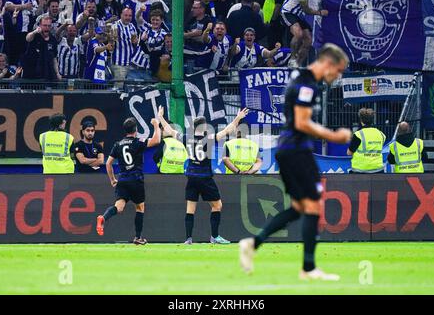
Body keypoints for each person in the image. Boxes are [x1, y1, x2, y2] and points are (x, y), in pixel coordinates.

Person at [239, 44, 352, 280]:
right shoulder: (306, 84)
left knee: (301, 207)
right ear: (328, 64)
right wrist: (335, 136)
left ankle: (253, 243)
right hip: (295, 150)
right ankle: (308, 269)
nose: (337, 76)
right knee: (312, 205)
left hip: (292, 150)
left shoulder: (303, 81)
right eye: (338, 70)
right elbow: (301, 123)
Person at [158, 107, 249, 245]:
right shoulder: (209, 139)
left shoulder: (186, 139)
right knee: (217, 205)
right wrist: (238, 118)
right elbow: (228, 130)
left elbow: (169, 130)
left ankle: (188, 239)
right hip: (205, 177)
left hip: (192, 177)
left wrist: (160, 117)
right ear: (205, 126)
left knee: (190, 209)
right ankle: (215, 236)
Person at [96, 114, 161, 245]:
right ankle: (138, 237)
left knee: (118, 207)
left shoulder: (118, 144)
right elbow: (157, 140)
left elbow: (108, 163)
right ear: (135, 129)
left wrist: (113, 179)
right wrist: (155, 124)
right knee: (140, 207)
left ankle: (103, 217)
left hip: (123, 180)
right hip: (136, 179)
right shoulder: (138, 142)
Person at [281, 0, 328, 67]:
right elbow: (306, 9)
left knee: (308, 40)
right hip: (288, 12)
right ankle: (292, 59)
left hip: (299, 16)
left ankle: (298, 62)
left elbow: (315, 7)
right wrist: (320, 12)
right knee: (298, 34)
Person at [22, 16, 62, 81]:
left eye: (49, 26)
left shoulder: (53, 40)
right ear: (40, 25)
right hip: (31, 74)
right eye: (44, 25)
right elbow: (28, 38)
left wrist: (57, 73)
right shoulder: (35, 36)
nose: (47, 28)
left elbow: (54, 58)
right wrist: (35, 32)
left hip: (46, 74)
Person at [347, 108, 386, 174]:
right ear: (372, 120)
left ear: (361, 121)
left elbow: (349, 153)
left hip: (360, 170)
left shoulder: (358, 134)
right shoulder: (381, 134)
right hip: (378, 169)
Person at [111, 7, 137, 86]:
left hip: (131, 64)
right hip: (119, 64)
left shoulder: (132, 26)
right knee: (119, 89)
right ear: (121, 15)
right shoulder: (115, 26)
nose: (128, 18)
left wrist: (135, 42)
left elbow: (135, 43)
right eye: (126, 15)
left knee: (130, 89)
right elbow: (111, 40)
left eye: (130, 16)